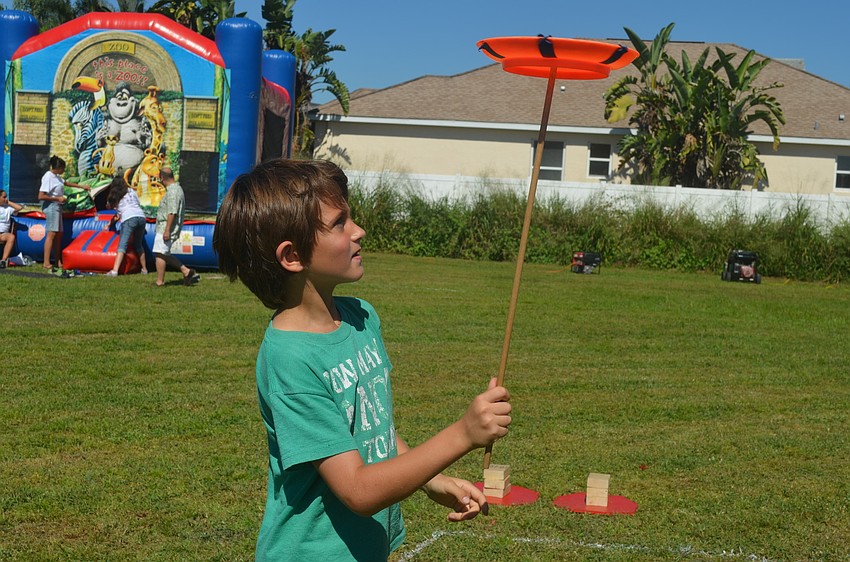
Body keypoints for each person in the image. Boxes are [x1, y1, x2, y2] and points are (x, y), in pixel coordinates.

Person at [213, 159, 512, 561]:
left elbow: (372, 428)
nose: (359, 231)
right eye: (340, 224)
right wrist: (463, 434)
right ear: (292, 255)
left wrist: (433, 480)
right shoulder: (290, 360)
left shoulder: (361, 318)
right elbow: (357, 490)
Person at [38, 155, 90, 273]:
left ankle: (57, 260)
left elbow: (66, 183)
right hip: (51, 207)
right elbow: (41, 196)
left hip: (58, 208)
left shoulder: (57, 177)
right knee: (52, 234)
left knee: (59, 234)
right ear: (58, 168)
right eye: (63, 168)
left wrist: (82, 187)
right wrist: (58, 199)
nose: (64, 171)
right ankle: (46, 262)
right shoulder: (48, 177)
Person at [153, 167, 197, 286]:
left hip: (165, 227)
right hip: (166, 227)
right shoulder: (176, 189)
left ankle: (159, 281)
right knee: (165, 253)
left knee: (159, 253)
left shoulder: (173, 191)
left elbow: (172, 212)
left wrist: (167, 230)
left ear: (162, 178)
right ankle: (186, 271)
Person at [105, 176, 148, 276]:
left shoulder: (115, 195)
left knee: (122, 245)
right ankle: (144, 269)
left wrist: (108, 224)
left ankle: (115, 271)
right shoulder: (131, 191)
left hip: (129, 218)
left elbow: (115, 213)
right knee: (138, 244)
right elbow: (137, 204)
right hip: (141, 217)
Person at [0, 189, 23, 269]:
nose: (6, 198)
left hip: (3, 234)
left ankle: (3, 260)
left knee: (11, 237)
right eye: (4, 197)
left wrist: (8, 202)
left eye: (6, 197)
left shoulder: (8, 208)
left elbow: (20, 207)